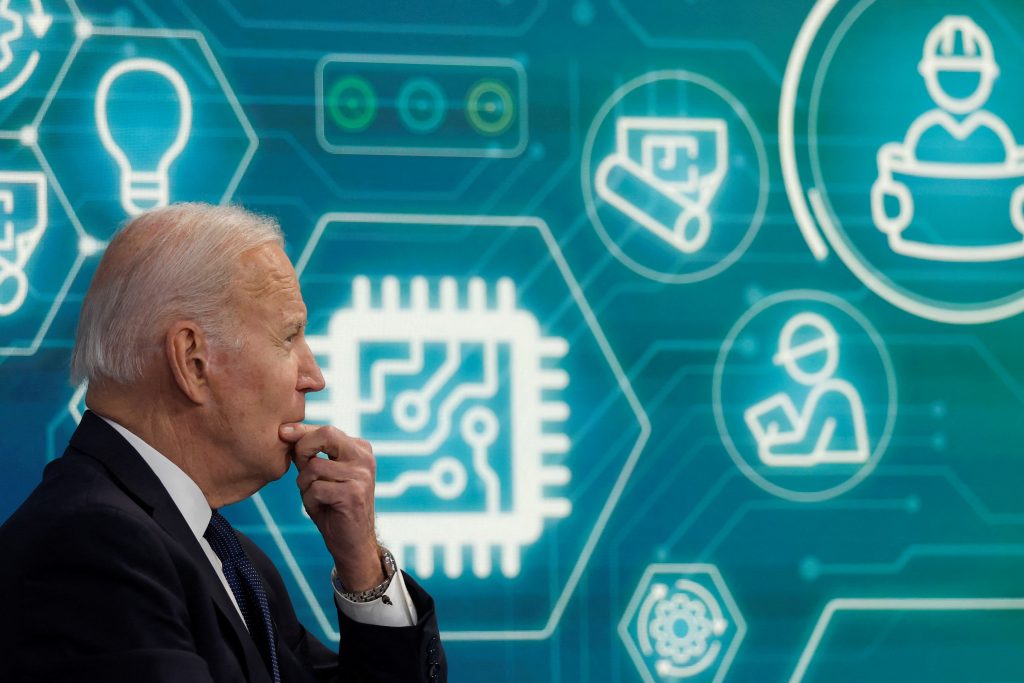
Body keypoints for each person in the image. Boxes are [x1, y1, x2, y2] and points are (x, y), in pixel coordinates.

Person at [0, 203, 447, 682]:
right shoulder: (93, 544)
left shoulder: (231, 558)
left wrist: (362, 564)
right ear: (193, 362)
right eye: (289, 337)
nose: (313, 376)